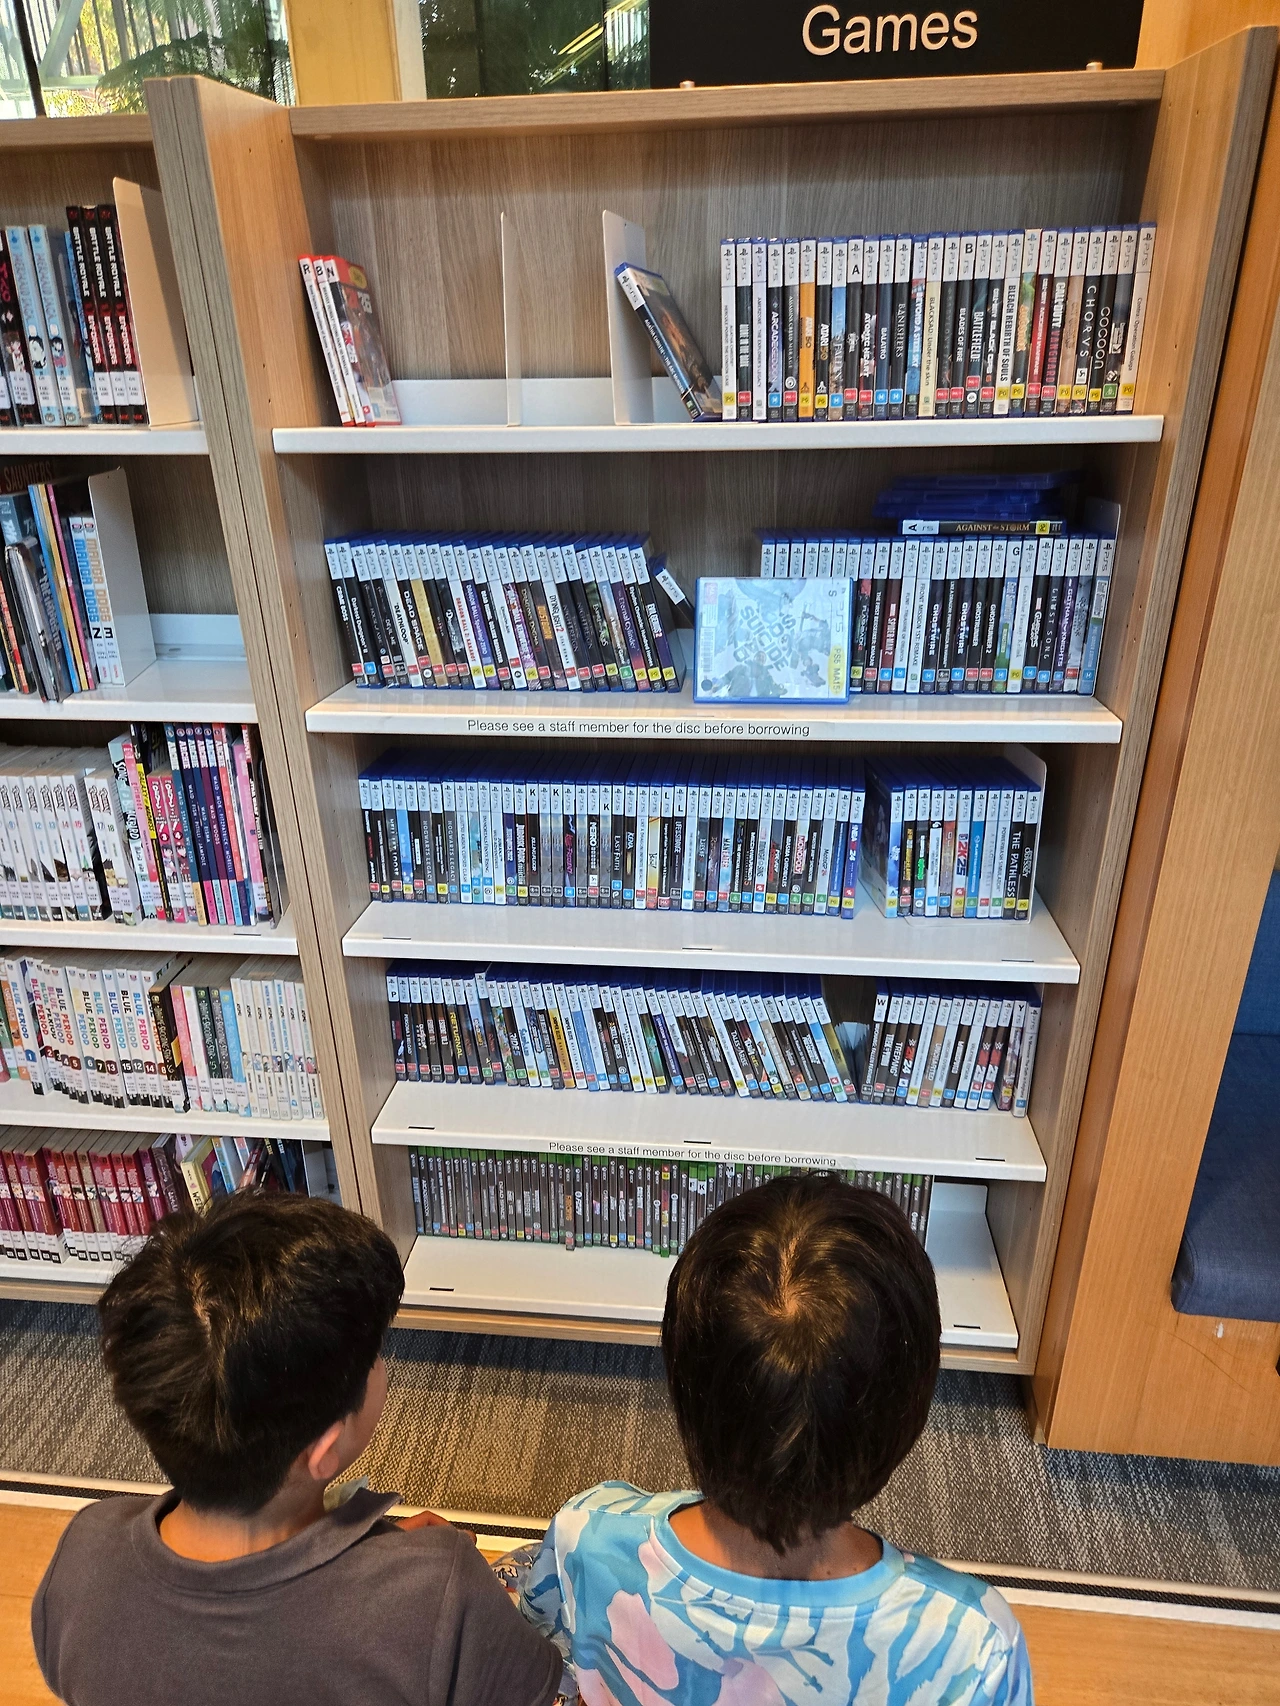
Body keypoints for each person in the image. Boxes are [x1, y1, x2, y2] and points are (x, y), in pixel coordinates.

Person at [512, 1174, 1033, 1705]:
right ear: (910, 1413)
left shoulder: (588, 1532)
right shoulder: (974, 1643)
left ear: (681, 1384)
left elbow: (545, 1657)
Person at [32, 1192, 561, 1706]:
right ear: (324, 1449)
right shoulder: (441, 1593)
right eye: (374, 1354)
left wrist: (390, 1566)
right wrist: (425, 1583)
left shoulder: (84, 1555)